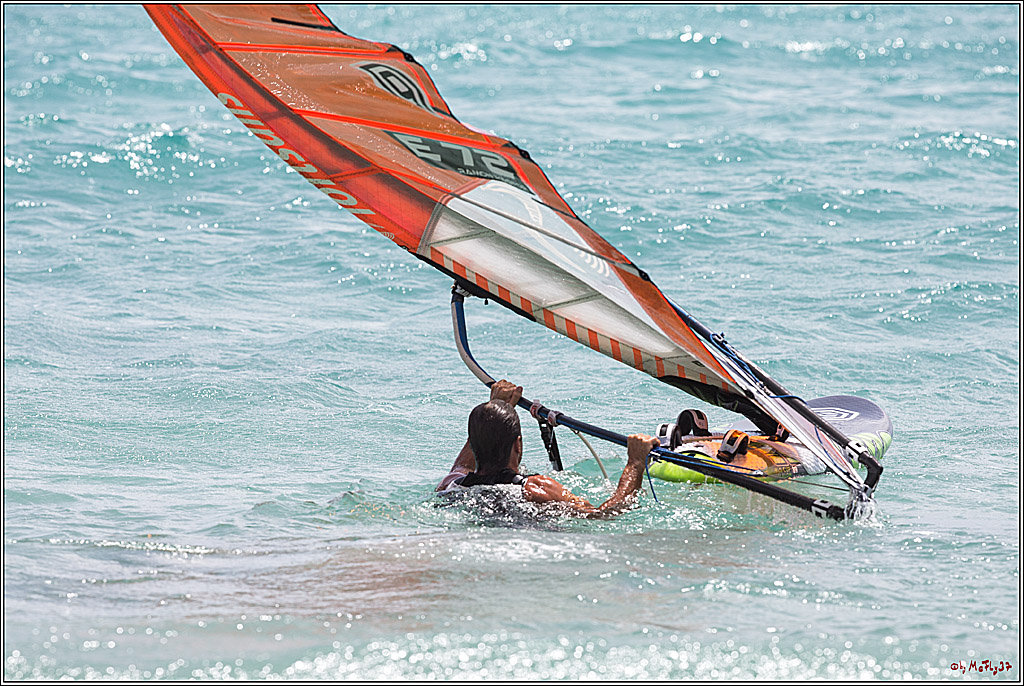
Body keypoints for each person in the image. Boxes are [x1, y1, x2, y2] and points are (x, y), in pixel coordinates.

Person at [437, 379, 659, 518]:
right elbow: (604, 515)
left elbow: (463, 464)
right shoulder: (535, 489)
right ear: (518, 444)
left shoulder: (451, 485)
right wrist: (635, 463)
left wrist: (497, 406)